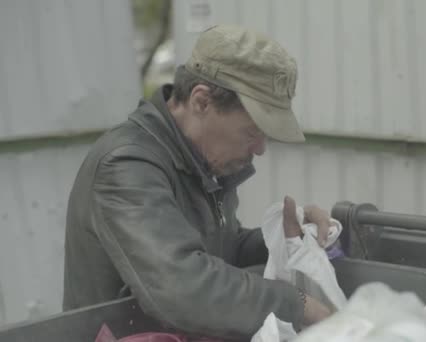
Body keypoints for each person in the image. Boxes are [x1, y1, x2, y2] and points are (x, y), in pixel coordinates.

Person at [62, 24, 334, 340]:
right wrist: (296, 303)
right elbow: (182, 286)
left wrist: (287, 240)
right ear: (202, 101)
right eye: (251, 132)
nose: (259, 149)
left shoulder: (198, 161)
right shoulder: (126, 165)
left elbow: (219, 252)